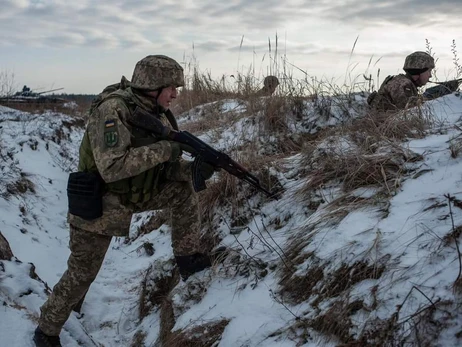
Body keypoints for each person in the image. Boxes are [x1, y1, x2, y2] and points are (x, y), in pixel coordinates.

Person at [33, 55, 221, 347]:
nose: (176, 93)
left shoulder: (155, 113)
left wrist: (193, 170)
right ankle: (47, 330)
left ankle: (187, 259)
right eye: (172, 87)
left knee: (183, 192)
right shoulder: (113, 110)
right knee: (82, 274)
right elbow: (112, 168)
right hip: (100, 203)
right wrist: (167, 150)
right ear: (153, 85)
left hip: (133, 195)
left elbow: (163, 167)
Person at [368, 51, 435, 112]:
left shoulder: (402, 82)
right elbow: (411, 112)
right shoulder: (402, 84)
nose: (430, 75)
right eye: (429, 71)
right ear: (419, 71)